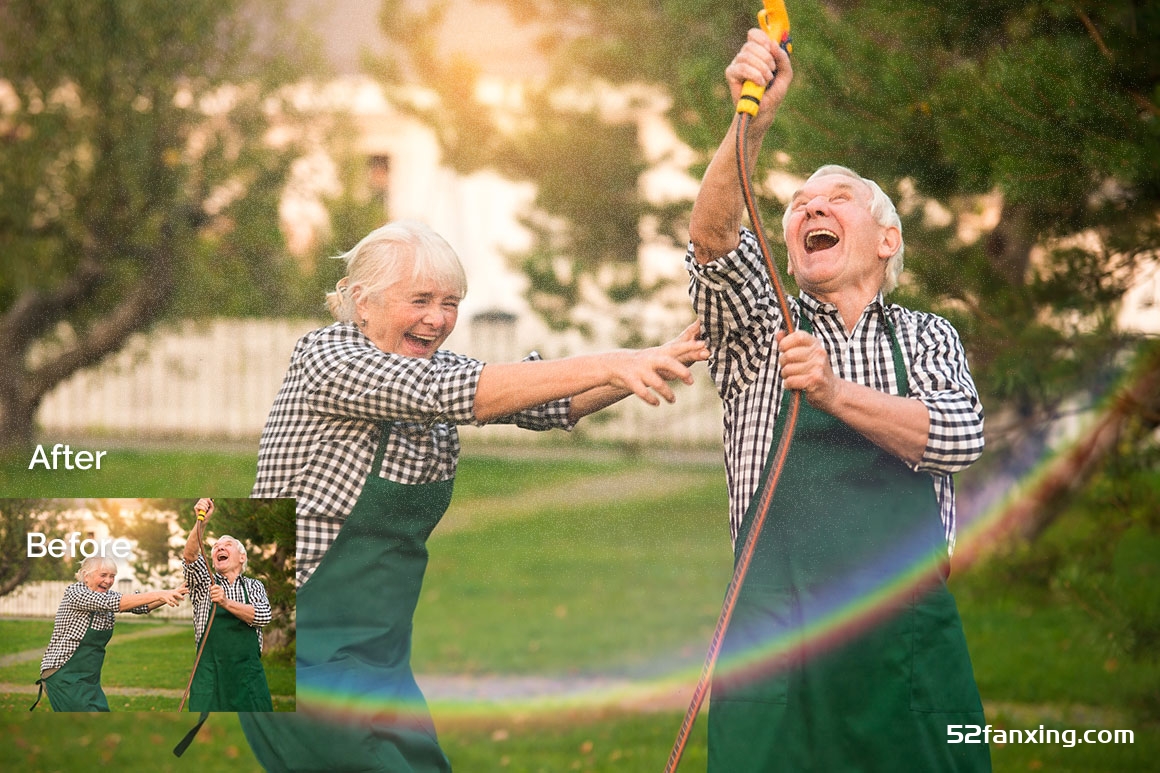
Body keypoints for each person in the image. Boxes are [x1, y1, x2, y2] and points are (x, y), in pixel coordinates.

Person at [239, 219, 708, 772]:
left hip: (379, 662)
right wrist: (615, 360)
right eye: (420, 299)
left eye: (450, 302)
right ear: (362, 302)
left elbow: (551, 402)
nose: (437, 318)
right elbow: (463, 393)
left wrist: (665, 356)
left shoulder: (432, 367)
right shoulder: (327, 359)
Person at [685, 30, 990, 772]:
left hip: (904, 639)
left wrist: (832, 390)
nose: (810, 208)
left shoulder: (925, 335)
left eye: (836, 198)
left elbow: (957, 435)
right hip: (774, 637)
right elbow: (714, 238)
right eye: (797, 205)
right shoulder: (762, 323)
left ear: (887, 239)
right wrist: (748, 122)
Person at [31, 556, 186, 712]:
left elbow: (142, 607)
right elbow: (115, 603)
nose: (109, 581)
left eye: (112, 576)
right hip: (63, 675)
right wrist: (160, 593)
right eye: (103, 575)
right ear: (86, 576)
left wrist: (174, 593)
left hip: (89, 679)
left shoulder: (107, 595)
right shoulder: (75, 593)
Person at [181, 497, 274, 712]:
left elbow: (262, 616)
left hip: (247, 676)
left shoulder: (254, 586)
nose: (219, 548)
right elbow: (190, 556)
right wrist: (200, 522)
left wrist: (225, 602)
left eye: (227, 545)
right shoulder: (205, 581)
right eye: (215, 547)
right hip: (210, 674)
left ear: (242, 557)